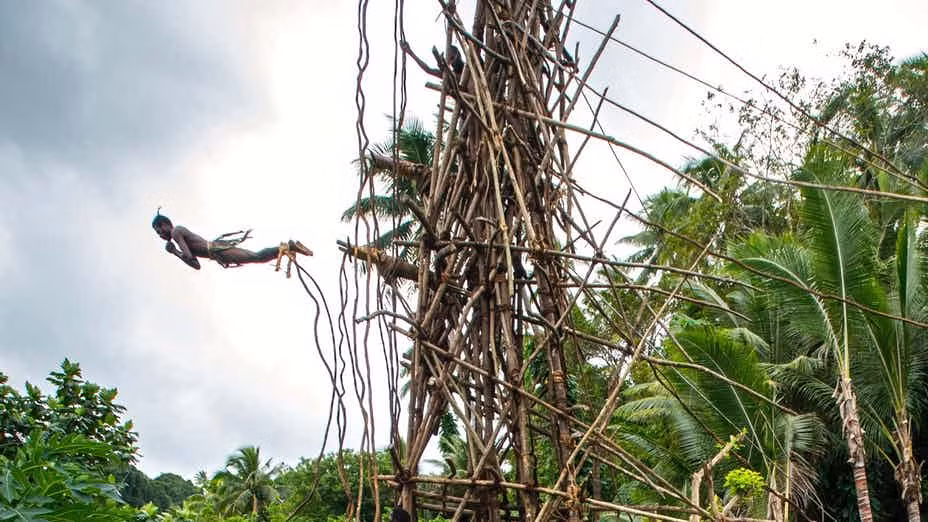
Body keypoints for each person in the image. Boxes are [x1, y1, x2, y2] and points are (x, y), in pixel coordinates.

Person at [152, 212, 312, 270]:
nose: (160, 234)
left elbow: (194, 263)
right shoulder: (178, 232)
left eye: (159, 230)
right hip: (217, 251)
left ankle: (287, 246)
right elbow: (196, 264)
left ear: (165, 224)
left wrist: (175, 252)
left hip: (216, 250)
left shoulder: (176, 232)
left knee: (257, 257)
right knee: (257, 257)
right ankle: (287, 247)